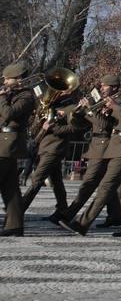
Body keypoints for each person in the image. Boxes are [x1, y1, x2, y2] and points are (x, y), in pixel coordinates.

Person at [64, 68, 121, 237]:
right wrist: (104, 112)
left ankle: (82, 223)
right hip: (118, 145)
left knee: (106, 186)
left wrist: (115, 107)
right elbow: (113, 122)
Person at [65, 76, 121, 228]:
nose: (102, 88)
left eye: (105, 86)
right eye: (101, 85)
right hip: (96, 144)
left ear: (114, 87)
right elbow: (83, 123)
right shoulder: (101, 102)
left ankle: (68, 214)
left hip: (105, 145)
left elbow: (104, 124)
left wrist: (89, 110)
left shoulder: (117, 103)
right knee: (106, 184)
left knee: (89, 182)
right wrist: (79, 112)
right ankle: (116, 215)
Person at [20, 88, 81, 224]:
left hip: (55, 148)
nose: (58, 91)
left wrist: (53, 128)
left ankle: (17, 212)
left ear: (70, 91)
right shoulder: (51, 105)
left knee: (37, 179)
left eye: (63, 90)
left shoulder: (72, 107)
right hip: (45, 147)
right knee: (56, 181)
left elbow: (74, 128)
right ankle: (62, 210)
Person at [0, 62, 37, 236]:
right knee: (10, 187)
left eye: (8, 79)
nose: (5, 82)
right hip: (4, 140)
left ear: (18, 79)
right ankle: (14, 225)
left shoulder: (27, 96)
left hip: (10, 142)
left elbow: (9, 114)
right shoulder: (11, 94)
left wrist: (1, 98)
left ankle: (14, 224)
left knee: (8, 183)